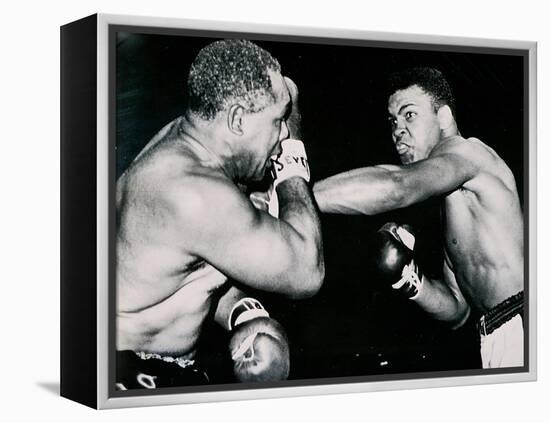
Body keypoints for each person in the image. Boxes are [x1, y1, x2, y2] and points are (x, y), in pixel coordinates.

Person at [115, 39, 325, 389]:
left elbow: (180, 275)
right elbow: (306, 271)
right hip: (128, 371)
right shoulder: (192, 190)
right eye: (277, 120)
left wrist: (245, 312)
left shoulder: (189, 147)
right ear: (238, 119)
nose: (284, 131)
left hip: (140, 360)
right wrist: (292, 158)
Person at [313, 67, 523, 369]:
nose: (398, 129)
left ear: (444, 118)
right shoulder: (451, 201)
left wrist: (295, 197)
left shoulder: (468, 153)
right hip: (495, 332)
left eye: (408, 114)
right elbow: (458, 309)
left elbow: (397, 185)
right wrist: (408, 278)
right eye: (392, 121)